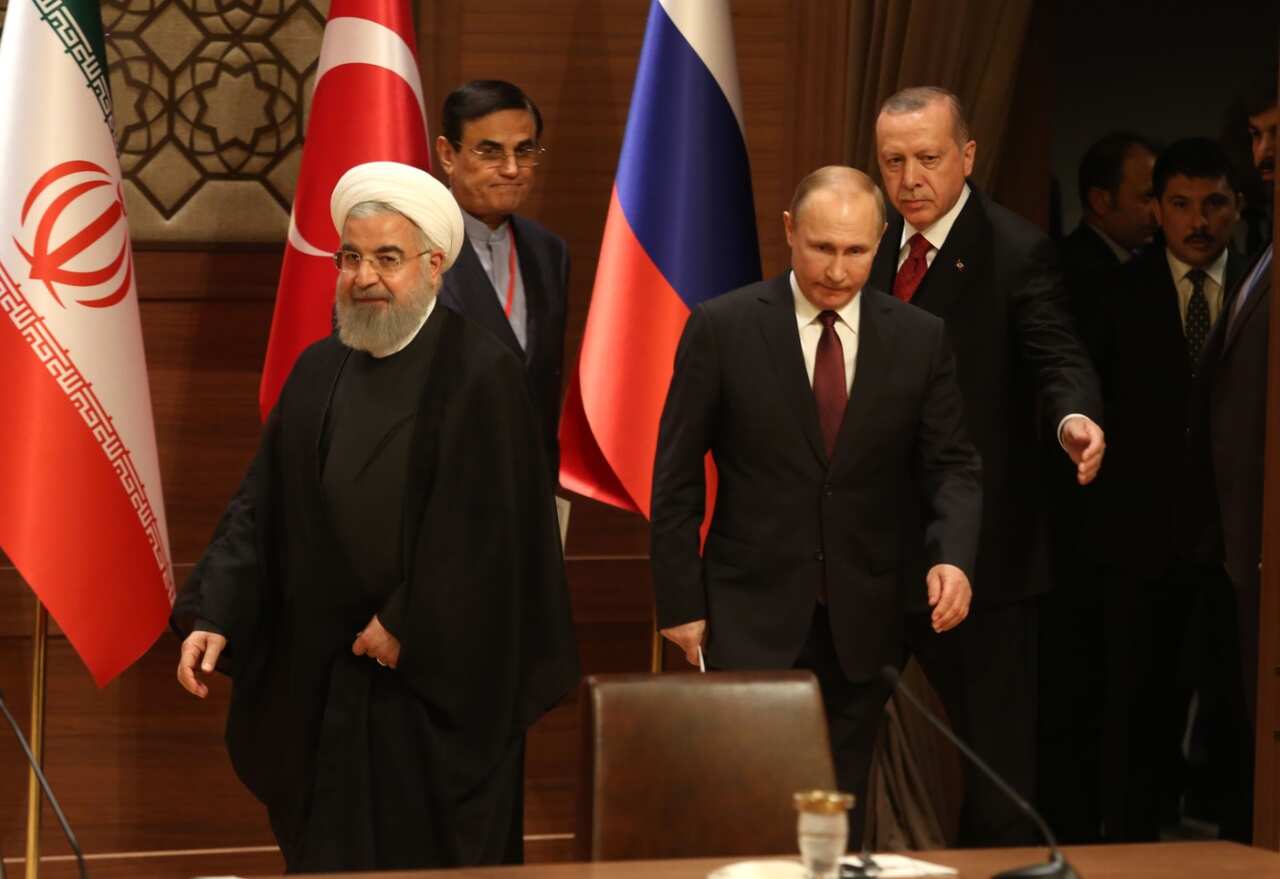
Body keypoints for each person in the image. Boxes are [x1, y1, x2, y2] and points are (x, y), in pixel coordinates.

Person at [172, 161, 579, 872]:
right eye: (351, 258)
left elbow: (495, 535)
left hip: (429, 696)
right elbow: (261, 503)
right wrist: (218, 610)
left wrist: (407, 620)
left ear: (433, 265)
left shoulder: (482, 374)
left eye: (388, 259)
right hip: (324, 685)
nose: (365, 277)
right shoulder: (317, 368)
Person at [650, 166, 983, 845]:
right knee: (752, 806)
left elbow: (952, 464)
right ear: (789, 231)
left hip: (867, 616)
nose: (837, 269)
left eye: (856, 251)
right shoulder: (723, 327)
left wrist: (952, 556)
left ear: (881, 240)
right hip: (749, 612)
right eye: (822, 247)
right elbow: (676, 476)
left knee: (841, 807)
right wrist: (680, 601)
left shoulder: (918, 337)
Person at [866, 86, 1104, 846]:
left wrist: (1074, 417)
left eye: (928, 158)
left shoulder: (1013, 247)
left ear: (967, 156)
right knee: (854, 752)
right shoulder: (865, 244)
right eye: (893, 162)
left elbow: (1057, 355)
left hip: (984, 553)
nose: (910, 179)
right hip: (875, 546)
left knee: (995, 768)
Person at [1091, 137, 1244, 841]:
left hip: (1235, 542)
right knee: (1137, 712)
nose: (1198, 221)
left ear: (1237, 207)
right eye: (1180, 204)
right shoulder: (1117, 292)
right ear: (1156, 209)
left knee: (1235, 713)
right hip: (1140, 541)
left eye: (1214, 203)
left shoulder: (1258, 286)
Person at [1037, 130, 1156, 843]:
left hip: (1119, 526)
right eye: (1148, 196)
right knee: (1079, 689)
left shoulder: (1135, 267)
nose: (1156, 212)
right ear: (1101, 200)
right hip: (1081, 519)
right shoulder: (1073, 271)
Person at [1190, 78, 1277, 842]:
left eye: (1277, 132)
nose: (1265, 152)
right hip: (1243, 540)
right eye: (1255, 135)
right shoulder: (1263, 254)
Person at [435, 80, 569, 483]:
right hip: (442, 485)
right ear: (447, 154)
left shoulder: (549, 252)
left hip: (529, 483)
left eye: (524, 151)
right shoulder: (410, 249)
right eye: (490, 151)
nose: (512, 169)